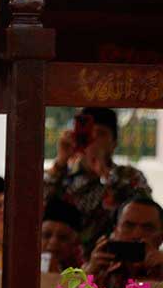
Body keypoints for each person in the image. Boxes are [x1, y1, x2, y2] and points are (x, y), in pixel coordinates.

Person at [45, 107, 151, 254]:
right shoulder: (61, 174)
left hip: (112, 257)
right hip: (66, 261)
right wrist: (60, 161)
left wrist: (107, 177)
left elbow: (146, 215)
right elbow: (35, 208)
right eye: (88, 133)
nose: (93, 140)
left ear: (114, 143)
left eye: (101, 134)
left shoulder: (129, 176)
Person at [83, 195, 163, 288]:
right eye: (128, 226)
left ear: (161, 237)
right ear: (116, 231)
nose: (137, 235)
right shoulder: (98, 270)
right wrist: (90, 272)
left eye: (148, 228)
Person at [41, 197, 84, 273]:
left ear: (75, 243)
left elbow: (89, 277)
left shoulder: (80, 268)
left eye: (63, 237)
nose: (53, 243)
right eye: (46, 235)